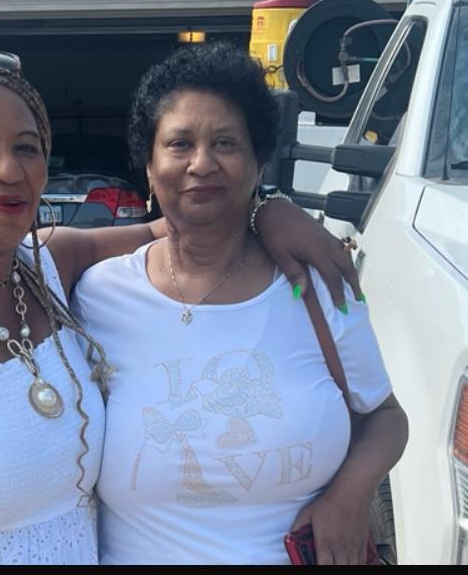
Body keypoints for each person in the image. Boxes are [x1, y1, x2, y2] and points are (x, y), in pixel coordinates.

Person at [0, 51, 365, 565]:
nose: (9, 169)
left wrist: (270, 210)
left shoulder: (50, 269)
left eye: (26, 147)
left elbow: (185, 220)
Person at [73, 42, 409, 566]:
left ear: (258, 162)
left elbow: (385, 416)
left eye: (226, 143)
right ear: (148, 165)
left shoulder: (318, 285)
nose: (202, 163)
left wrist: (351, 491)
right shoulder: (97, 296)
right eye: (179, 143)